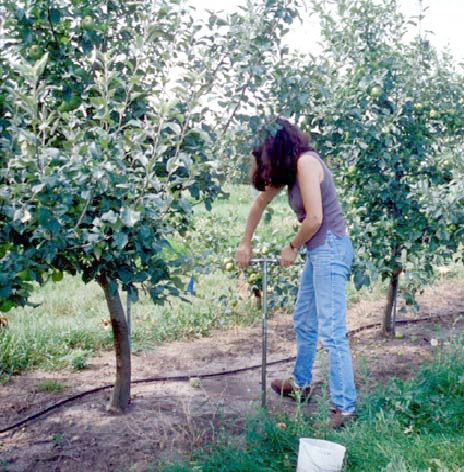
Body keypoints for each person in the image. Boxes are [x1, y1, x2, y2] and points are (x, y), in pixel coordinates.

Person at [235, 118, 356, 428]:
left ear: (277, 149)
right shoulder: (289, 170)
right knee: (304, 318)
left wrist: (291, 246)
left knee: (331, 331)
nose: (264, 163)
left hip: (329, 246)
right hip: (320, 250)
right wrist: (245, 243)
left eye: (265, 155)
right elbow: (259, 203)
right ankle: (301, 384)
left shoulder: (305, 162)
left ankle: (344, 408)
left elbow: (315, 218)